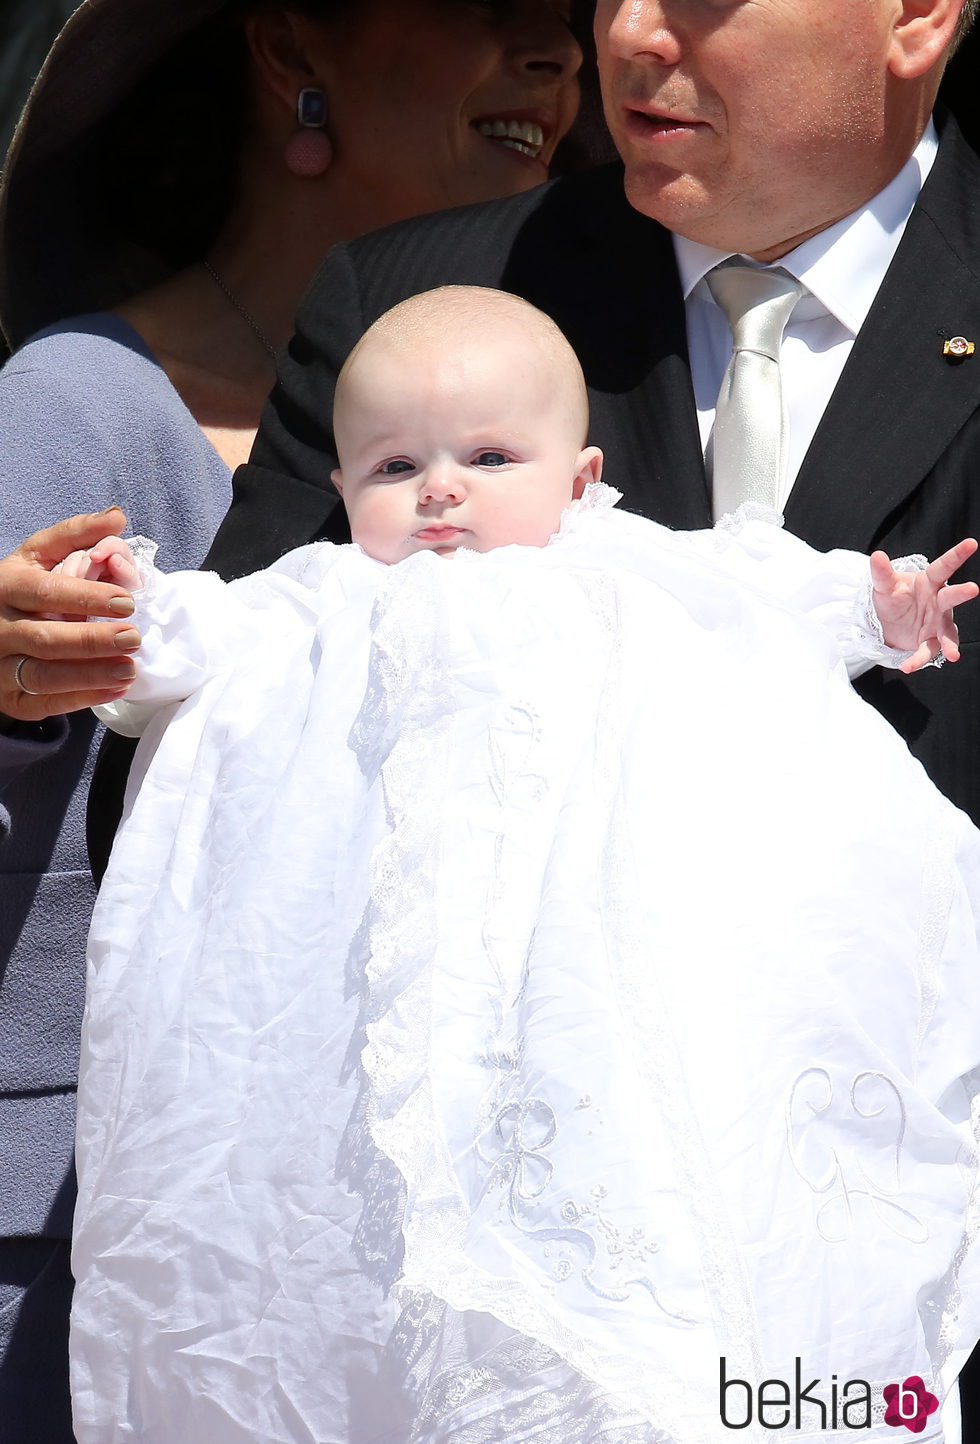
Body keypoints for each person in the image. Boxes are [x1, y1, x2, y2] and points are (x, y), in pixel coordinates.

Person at [62, 288, 980, 1441]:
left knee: (626, 1200)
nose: (439, 487)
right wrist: (120, 606)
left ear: (580, 475)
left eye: (489, 456)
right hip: (351, 1004)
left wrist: (874, 603)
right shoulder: (314, 597)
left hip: (579, 983)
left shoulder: (636, 567)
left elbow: (767, 594)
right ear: (340, 492)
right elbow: (184, 641)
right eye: (394, 465)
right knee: (337, 1246)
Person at [0, 1, 582, 1434]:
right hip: (88, 1233)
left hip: (391, 1244)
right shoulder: (79, 405)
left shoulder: (549, 428)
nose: (560, 53)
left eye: (571, 17)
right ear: (289, 52)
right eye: (491, 7)